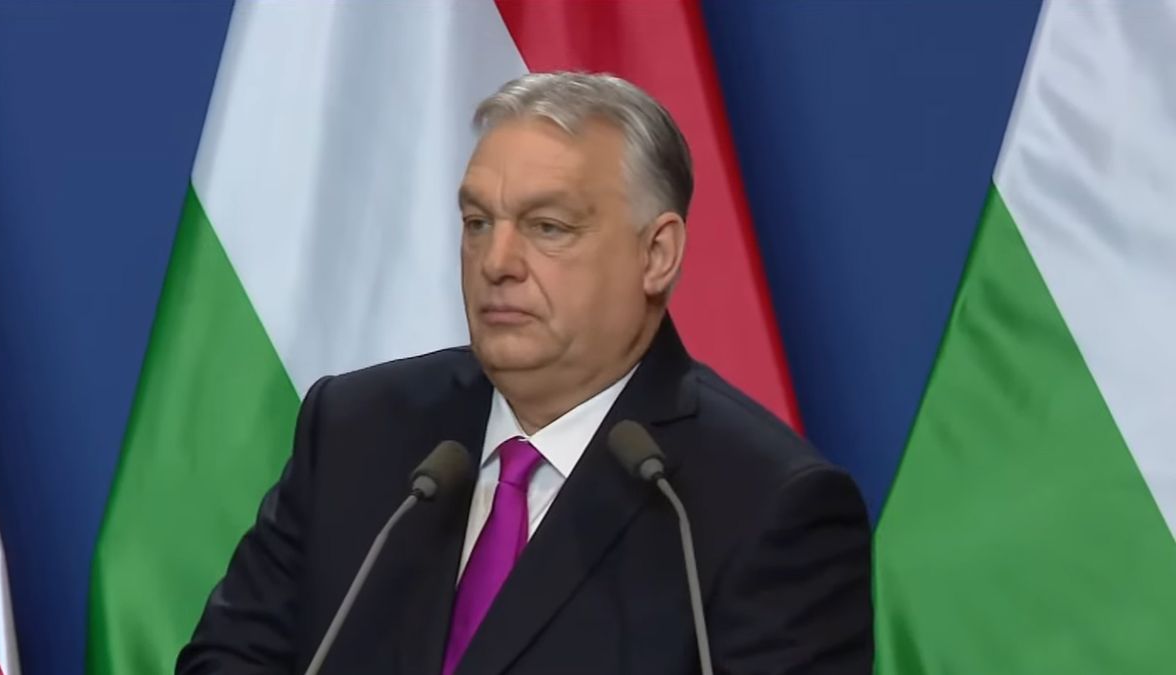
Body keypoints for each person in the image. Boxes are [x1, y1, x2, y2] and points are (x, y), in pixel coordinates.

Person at [176, 71, 872, 674]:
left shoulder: (761, 507)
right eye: (478, 223)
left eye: (548, 227)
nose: (497, 261)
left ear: (657, 254)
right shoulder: (357, 428)